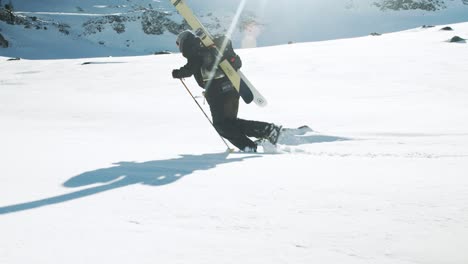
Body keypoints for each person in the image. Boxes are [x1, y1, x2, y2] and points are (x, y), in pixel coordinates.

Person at [171, 30, 281, 152]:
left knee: (222, 125)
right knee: (229, 123)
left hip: (217, 91)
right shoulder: (206, 48)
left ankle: (249, 146)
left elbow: (190, 69)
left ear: (183, 42)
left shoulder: (195, 51)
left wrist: (177, 73)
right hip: (232, 88)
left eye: (178, 44)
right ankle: (268, 131)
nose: (179, 48)